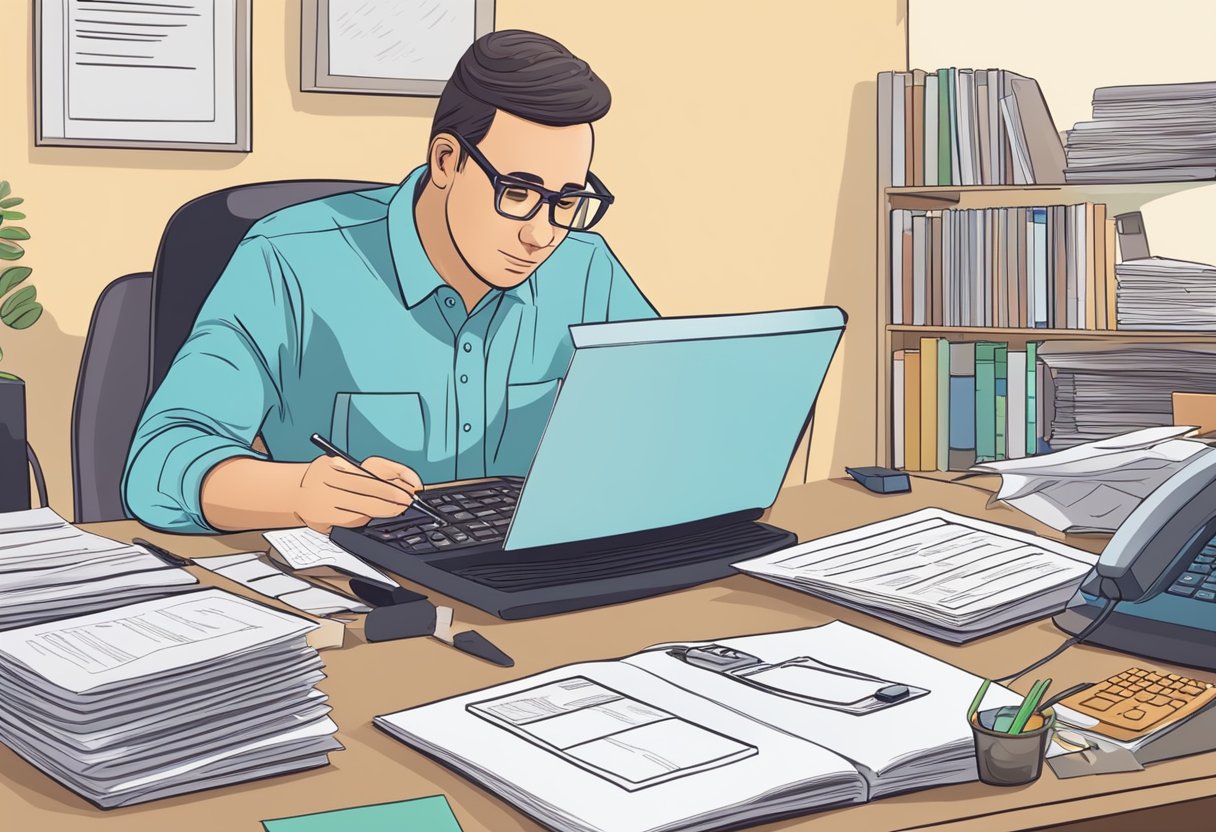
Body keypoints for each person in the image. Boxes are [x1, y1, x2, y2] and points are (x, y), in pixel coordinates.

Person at [121, 30, 657, 535]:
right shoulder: (290, 259)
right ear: (447, 160)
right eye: (517, 193)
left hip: (539, 574)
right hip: (360, 592)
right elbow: (157, 466)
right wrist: (297, 491)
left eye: (567, 202)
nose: (542, 235)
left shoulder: (587, 270)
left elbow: (671, 420)